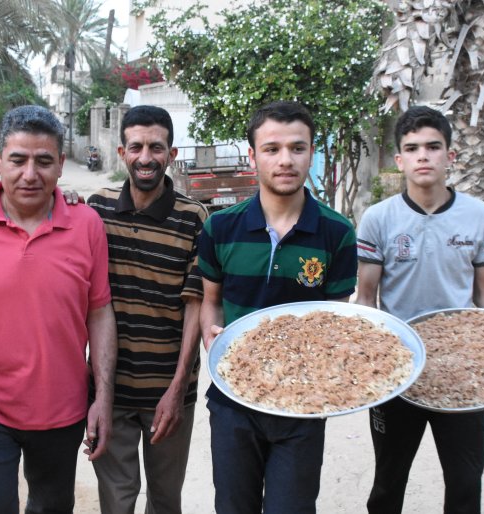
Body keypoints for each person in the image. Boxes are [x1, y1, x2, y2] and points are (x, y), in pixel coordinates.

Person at [355, 105, 484, 514]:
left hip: (464, 369)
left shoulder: (477, 215)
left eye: (433, 146)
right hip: (399, 371)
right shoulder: (378, 219)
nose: (423, 156)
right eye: (412, 148)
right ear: (399, 160)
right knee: (388, 482)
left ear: (450, 156)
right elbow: (367, 300)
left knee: (465, 483)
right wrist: (369, 361)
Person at [0, 105, 117, 514]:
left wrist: (102, 396)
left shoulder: (87, 225)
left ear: (61, 164)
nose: (30, 174)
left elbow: (99, 312)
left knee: (52, 507)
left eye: (43, 161)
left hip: (62, 410)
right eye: (18, 160)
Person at [197, 101, 358, 513]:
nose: (285, 160)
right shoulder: (221, 228)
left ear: (311, 152)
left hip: (303, 405)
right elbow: (211, 303)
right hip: (233, 401)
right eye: (272, 149)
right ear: (253, 156)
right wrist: (211, 338)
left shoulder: (336, 232)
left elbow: (334, 320)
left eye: (297, 148)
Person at [86, 105, 208, 513]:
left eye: (156, 147)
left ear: (171, 154)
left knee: (165, 500)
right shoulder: (96, 209)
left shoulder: (194, 218)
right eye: (136, 147)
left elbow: (195, 307)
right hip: (110, 391)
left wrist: (178, 389)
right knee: (116, 502)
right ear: (121, 152)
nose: (145, 157)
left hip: (169, 394)